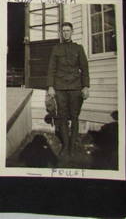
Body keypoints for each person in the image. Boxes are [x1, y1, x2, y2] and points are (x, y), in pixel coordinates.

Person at [46, 22, 90, 157]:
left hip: (75, 88)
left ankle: (72, 146)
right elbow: (51, 69)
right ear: (61, 33)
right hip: (60, 88)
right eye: (63, 31)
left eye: (68, 31)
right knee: (63, 117)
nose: (65, 33)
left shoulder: (78, 48)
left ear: (72, 32)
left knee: (75, 117)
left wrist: (86, 86)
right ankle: (65, 146)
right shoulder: (56, 49)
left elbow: (84, 69)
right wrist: (50, 86)